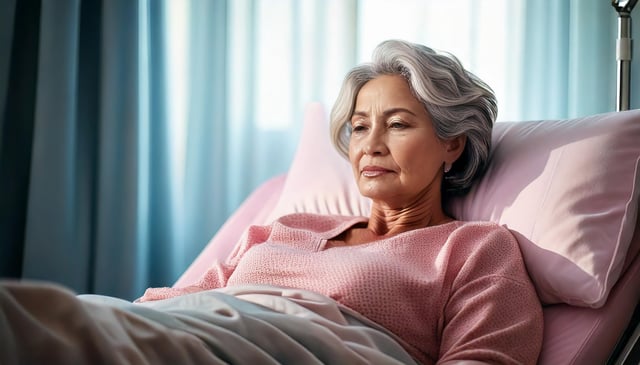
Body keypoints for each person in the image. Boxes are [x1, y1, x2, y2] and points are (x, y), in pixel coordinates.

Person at [138, 39, 544, 365]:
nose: (371, 146)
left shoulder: (474, 248)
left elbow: (485, 357)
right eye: (360, 127)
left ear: (452, 144)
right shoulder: (288, 226)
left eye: (398, 125)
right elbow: (180, 300)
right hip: (194, 330)